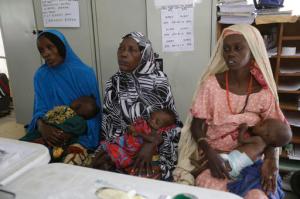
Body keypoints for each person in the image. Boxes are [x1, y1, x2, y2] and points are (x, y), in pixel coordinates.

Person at [173, 24, 290, 199]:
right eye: (226, 49)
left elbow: (275, 133)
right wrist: (210, 153)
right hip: (215, 159)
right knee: (215, 193)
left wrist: (270, 160)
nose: (230, 54)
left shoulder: (264, 92)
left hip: (252, 160)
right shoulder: (211, 85)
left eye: (238, 48)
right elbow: (197, 126)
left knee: (258, 195)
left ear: (253, 51)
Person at [92, 32, 182, 181]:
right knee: (98, 167)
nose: (123, 54)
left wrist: (151, 144)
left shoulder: (159, 81)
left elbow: (174, 125)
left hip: (156, 145)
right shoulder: (114, 83)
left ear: (143, 54)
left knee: (149, 177)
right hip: (122, 145)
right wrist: (119, 150)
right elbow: (109, 125)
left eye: (131, 50)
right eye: (121, 49)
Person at [25, 30, 101, 166]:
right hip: (48, 128)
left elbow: (94, 114)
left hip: (78, 134)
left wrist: (70, 133)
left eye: (50, 47)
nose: (45, 53)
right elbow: (40, 109)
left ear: (61, 46)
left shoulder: (85, 73)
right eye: (41, 50)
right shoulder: (41, 76)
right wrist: (43, 127)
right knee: (22, 154)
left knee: (67, 163)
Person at [99, 108, 177, 179]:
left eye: (157, 122)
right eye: (151, 118)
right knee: (109, 152)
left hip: (137, 157)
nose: (152, 121)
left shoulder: (159, 133)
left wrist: (139, 134)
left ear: (164, 127)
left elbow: (153, 139)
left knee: (143, 172)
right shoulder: (144, 123)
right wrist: (131, 128)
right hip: (126, 147)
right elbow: (132, 129)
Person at [21, 96, 100, 162]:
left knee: (42, 153)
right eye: (78, 105)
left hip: (51, 142)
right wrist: (43, 126)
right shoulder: (63, 110)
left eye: (79, 108)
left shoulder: (79, 121)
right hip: (42, 133)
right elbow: (44, 115)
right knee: (24, 144)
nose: (75, 109)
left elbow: (64, 134)